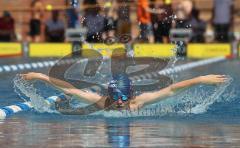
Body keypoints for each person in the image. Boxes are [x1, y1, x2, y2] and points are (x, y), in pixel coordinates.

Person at [21, 72, 227, 114]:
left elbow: (172, 89)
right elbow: (69, 89)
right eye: (115, 97)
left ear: (132, 95)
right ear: (109, 95)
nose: (119, 102)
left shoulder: (139, 102)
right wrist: (40, 76)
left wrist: (200, 79)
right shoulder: (102, 102)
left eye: (124, 97)